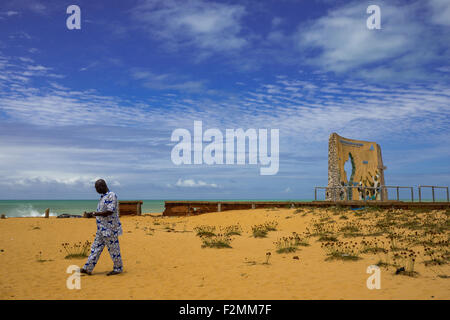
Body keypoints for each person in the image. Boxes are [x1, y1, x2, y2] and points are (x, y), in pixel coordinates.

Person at [81, 179, 123, 276]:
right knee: (95, 248)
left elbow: (110, 211)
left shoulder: (111, 195)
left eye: (97, 188)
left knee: (114, 249)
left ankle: (118, 268)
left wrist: (94, 213)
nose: (96, 190)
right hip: (101, 229)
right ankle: (87, 268)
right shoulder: (103, 197)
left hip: (110, 229)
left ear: (103, 186)